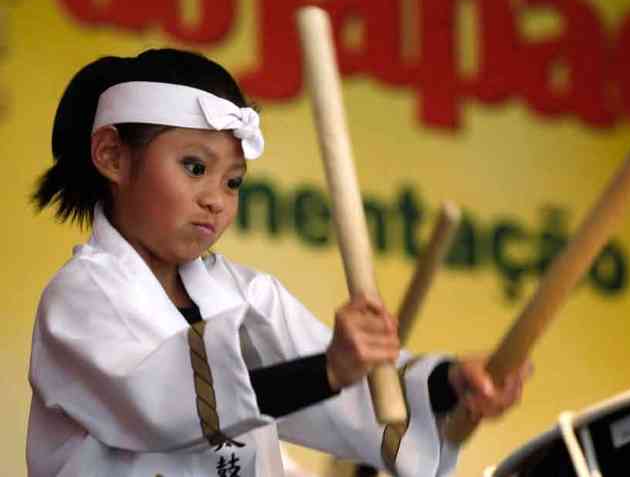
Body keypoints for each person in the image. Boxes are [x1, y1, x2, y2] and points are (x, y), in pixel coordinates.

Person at [27, 49, 530, 477]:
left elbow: (353, 394)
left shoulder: (246, 297)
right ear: (112, 156)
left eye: (233, 182)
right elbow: (156, 402)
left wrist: (452, 384)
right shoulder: (80, 299)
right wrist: (329, 369)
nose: (216, 200)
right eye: (195, 167)